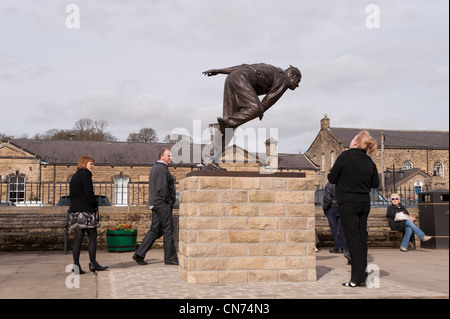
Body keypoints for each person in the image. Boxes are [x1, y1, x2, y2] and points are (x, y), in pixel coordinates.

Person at [328, 130, 379, 287]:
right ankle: (361, 276)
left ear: (356, 142)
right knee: (361, 238)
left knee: (353, 240)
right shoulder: (369, 161)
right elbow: (375, 184)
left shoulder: (345, 156)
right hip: (363, 203)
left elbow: (332, 178)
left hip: (348, 203)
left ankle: (356, 279)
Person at [203, 63, 302, 133]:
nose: (297, 86)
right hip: (243, 78)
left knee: (229, 129)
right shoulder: (284, 79)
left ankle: (212, 156)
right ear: (292, 76)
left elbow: (243, 66)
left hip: (232, 77)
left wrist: (219, 71)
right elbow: (271, 97)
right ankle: (220, 126)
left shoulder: (270, 69)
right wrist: (261, 110)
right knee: (255, 108)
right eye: (298, 81)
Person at [133, 148, 179, 265]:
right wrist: (169, 199)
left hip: (156, 204)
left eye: (171, 156)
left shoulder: (155, 168)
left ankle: (139, 254)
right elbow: (162, 188)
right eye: (168, 156)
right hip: (163, 204)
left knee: (155, 230)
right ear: (162, 157)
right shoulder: (162, 169)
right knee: (168, 231)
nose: (170, 158)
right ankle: (170, 259)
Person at [69, 155, 108, 274]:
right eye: (91, 164)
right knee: (92, 236)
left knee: (78, 238)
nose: (93, 166)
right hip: (86, 210)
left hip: (74, 211)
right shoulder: (86, 176)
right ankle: (93, 263)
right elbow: (89, 194)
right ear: (84, 163)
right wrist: (95, 204)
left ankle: (76, 266)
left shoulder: (75, 176)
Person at [322, 183, 348, 255]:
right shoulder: (342, 184)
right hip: (341, 208)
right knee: (342, 229)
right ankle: (343, 247)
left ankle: (337, 247)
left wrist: (324, 208)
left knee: (334, 229)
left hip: (331, 208)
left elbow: (327, 199)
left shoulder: (329, 185)